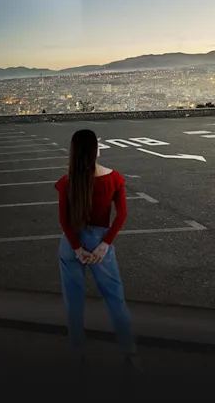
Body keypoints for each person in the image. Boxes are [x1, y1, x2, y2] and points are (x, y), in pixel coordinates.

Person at [55, 129, 141, 372]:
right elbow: (122, 215)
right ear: (94, 150)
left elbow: (64, 221)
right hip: (100, 242)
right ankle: (130, 354)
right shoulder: (114, 179)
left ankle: (78, 355)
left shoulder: (66, 182)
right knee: (115, 300)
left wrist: (78, 249)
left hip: (72, 245)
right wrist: (104, 245)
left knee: (74, 303)